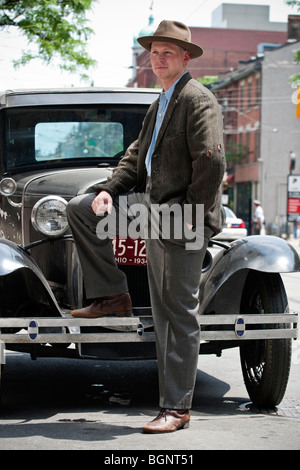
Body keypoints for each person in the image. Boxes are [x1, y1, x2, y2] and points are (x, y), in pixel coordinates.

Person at [66, 20, 226, 433]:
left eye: (167, 52)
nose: (158, 59)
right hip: (154, 214)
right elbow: (137, 158)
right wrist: (108, 190)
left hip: (181, 221)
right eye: (154, 52)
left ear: (185, 57)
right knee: (83, 208)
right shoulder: (161, 102)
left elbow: (211, 162)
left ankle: (176, 408)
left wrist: (189, 219)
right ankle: (111, 293)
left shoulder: (197, 99)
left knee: (175, 315)